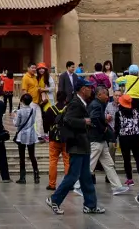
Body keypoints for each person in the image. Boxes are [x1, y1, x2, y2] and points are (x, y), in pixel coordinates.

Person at [46, 79, 105, 215]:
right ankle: (54, 199)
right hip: (76, 145)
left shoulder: (82, 102)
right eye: (89, 88)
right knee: (72, 176)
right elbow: (68, 119)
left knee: (86, 177)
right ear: (83, 89)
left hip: (83, 144)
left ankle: (90, 205)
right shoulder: (75, 103)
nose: (91, 90)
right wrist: (84, 121)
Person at [87, 85, 127, 196]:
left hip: (101, 139)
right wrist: (103, 128)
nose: (107, 96)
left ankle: (117, 186)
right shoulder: (96, 105)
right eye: (106, 94)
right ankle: (78, 185)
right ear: (99, 94)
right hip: (96, 139)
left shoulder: (99, 104)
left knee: (109, 164)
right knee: (90, 165)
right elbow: (93, 119)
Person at [115, 92, 139, 186]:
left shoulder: (118, 113)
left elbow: (117, 127)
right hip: (136, 137)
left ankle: (130, 179)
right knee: (138, 158)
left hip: (124, 138)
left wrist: (115, 138)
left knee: (126, 159)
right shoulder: (136, 111)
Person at [13, 92, 42, 184]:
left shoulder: (20, 111)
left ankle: (22, 177)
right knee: (32, 155)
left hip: (22, 134)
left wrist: (14, 117)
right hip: (31, 134)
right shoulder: (33, 110)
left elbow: (16, 124)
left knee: (22, 156)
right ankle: (36, 175)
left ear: (22, 101)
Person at [42, 94, 67, 191]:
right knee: (67, 161)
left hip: (53, 138)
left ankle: (52, 184)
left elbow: (45, 123)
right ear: (65, 100)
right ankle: (68, 184)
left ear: (56, 99)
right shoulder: (68, 109)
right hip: (65, 138)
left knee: (53, 161)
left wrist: (47, 131)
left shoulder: (50, 109)